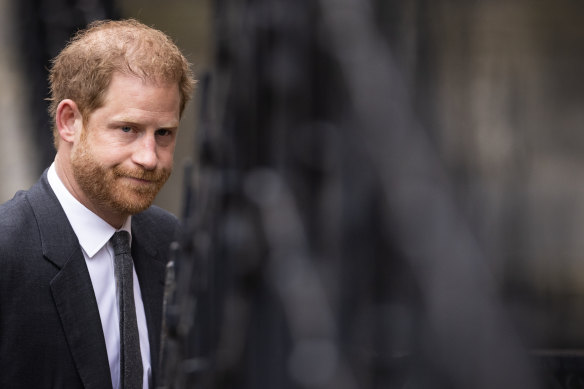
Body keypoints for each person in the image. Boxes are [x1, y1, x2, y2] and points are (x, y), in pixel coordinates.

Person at [0, 19, 195, 389]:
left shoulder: (174, 241)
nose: (149, 158)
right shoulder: (8, 251)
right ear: (69, 121)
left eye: (164, 134)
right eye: (128, 129)